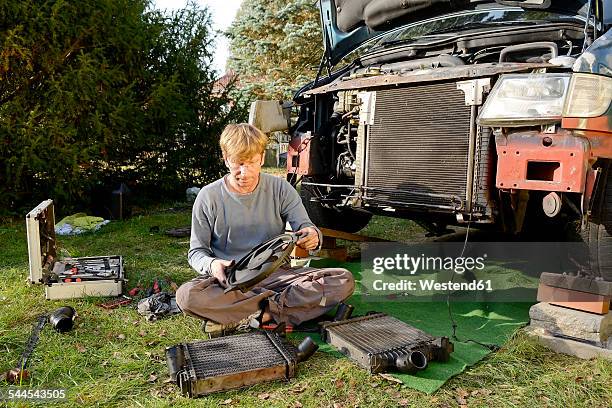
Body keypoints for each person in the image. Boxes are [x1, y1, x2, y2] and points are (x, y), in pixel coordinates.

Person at [176, 123, 355, 336]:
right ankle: (279, 310)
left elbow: (306, 227)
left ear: (261, 158)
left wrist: (312, 236)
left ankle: (258, 315)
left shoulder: (281, 189)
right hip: (231, 282)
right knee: (187, 296)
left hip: (278, 275)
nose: (245, 172)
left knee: (343, 280)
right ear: (225, 158)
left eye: (251, 162)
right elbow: (196, 253)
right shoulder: (208, 196)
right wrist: (213, 264)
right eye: (238, 163)